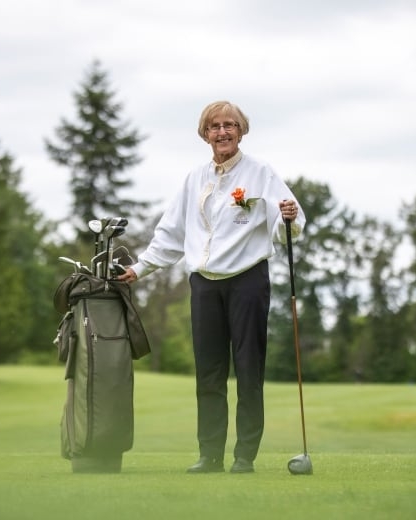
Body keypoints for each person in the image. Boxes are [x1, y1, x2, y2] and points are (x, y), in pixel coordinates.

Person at [118, 100, 306, 474]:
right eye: (215, 126)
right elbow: (171, 233)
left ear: (242, 131)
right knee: (208, 372)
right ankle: (210, 455)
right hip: (204, 283)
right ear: (205, 134)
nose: (223, 132)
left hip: (248, 281)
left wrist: (288, 217)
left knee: (249, 370)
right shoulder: (194, 179)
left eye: (230, 125)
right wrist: (140, 268)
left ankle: (244, 457)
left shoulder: (261, 172)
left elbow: (290, 220)